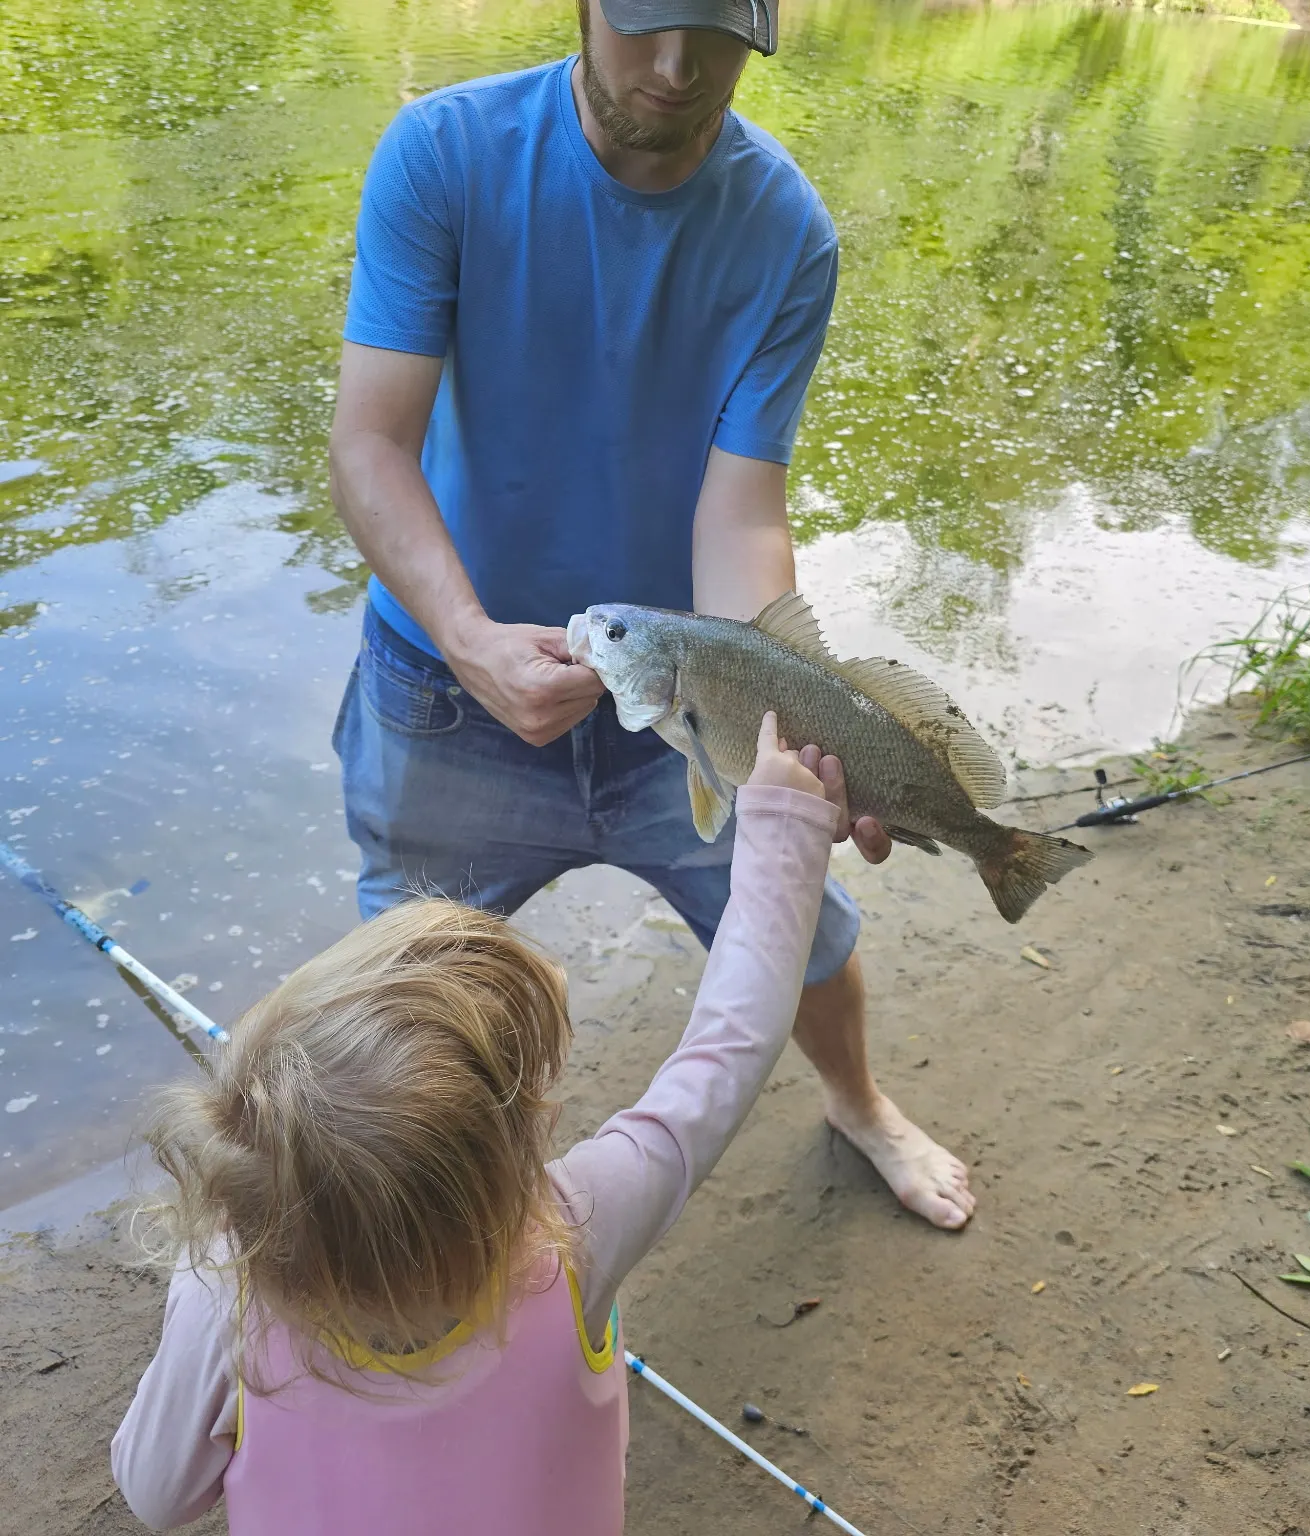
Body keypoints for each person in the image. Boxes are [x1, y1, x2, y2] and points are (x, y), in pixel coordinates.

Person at [326, 0, 974, 1228]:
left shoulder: (786, 232)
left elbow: (739, 516)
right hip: (443, 688)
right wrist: (469, 641)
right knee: (408, 994)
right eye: (645, 22)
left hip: (688, 697)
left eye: (715, 32)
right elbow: (368, 444)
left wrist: (791, 743)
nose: (676, 71)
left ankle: (860, 1103)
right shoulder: (445, 154)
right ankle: (432, 1222)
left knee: (807, 932)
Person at [113, 715, 840, 1532]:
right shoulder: (573, 1236)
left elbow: (156, 1491)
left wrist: (211, 1257)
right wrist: (783, 833)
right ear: (515, 1152)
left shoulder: (233, 1301)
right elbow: (727, 1052)